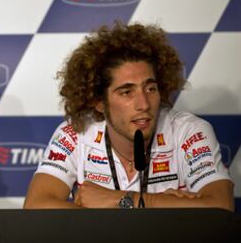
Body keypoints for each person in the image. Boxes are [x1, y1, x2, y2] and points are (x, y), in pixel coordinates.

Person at [24, 22, 234, 211]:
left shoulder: (189, 131)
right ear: (98, 101)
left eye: (150, 89)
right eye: (127, 92)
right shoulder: (74, 133)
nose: (144, 104)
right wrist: (168, 206)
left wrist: (123, 200)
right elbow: (36, 206)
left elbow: (220, 207)